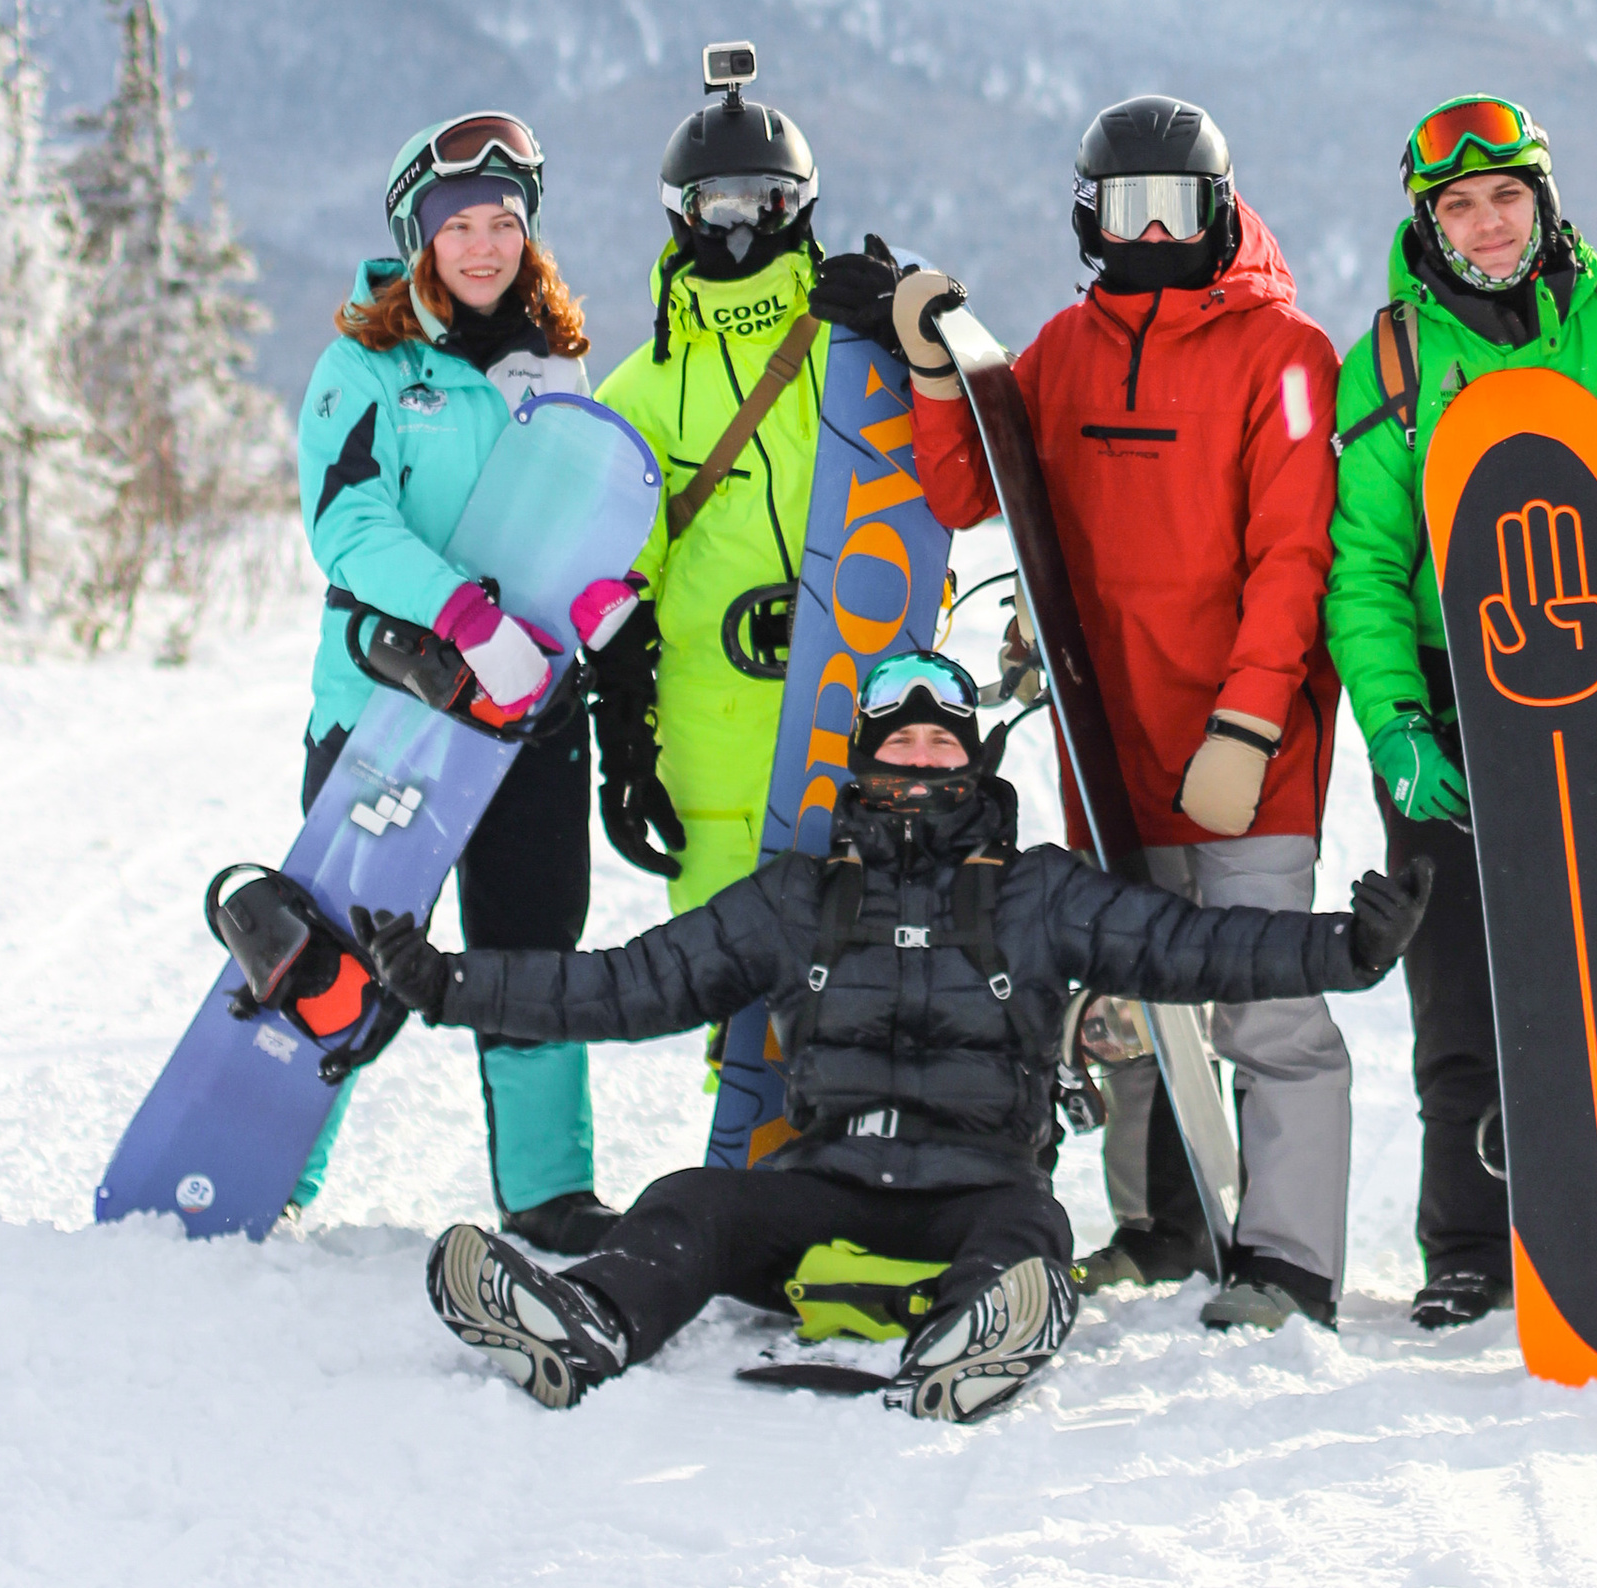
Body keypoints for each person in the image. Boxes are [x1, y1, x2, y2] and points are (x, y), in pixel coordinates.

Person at [356, 653, 1430, 1423]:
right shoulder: (796, 898)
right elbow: (626, 986)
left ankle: (976, 1340)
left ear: (971, 762)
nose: (920, 757)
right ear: (864, 761)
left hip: (979, 1187)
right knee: (691, 1201)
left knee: (1029, 1236)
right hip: (823, 1181)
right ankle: (585, 1320)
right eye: (900, 740)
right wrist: (449, 984)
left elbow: (1196, 950)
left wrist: (1343, 949)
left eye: (941, 740)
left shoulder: (1038, 892)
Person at [890, 95, 1349, 1334]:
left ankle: (1289, 1260)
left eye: (1179, 208)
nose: (1153, 233)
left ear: (1221, 208)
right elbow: (967, 487)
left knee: (1264, 1002)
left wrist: (1249, 727)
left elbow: (1294, 555)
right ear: (1087, 217)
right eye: (1126, 209)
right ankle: (1162, 1229)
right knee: (1136, 1002)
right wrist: (937, 369)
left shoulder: (1286, 355)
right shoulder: (1065, 349)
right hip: (1113, 743)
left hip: (1244, 751)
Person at [1324, 94, 1597, 1329]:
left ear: (1543, 198)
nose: (1487, 221)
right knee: (1456, 985)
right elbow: (1359, 562)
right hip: (1456, 707)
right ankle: (1464, 1243)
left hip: (1591, 686)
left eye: (1505, 194)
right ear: (1426, 220)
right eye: (1457, 202)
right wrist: (1394, 723)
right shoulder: (1394, 361)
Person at [295, 110, 639, 1251]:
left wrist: (591, 598)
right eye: (460, 227)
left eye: (503, 223)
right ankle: (274, 1164)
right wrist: (461, 616)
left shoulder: (556, 356)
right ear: (418, 235)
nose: (485, 246)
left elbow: (571, 508)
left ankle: (550, 1191)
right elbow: (347, 525)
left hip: (531, 713)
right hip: (396, 706)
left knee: (536, 947)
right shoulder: (368, 365)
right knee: (350, 947)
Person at [591, 46, 904, 907]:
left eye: (766, 202)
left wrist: (917, 318)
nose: (740, 226)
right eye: (715, 203)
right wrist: (623, 739)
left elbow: (971, 447)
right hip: (709, 731)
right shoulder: (637, 395)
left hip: (857, 712)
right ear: (678, 215)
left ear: (801, 209)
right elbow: (615, 586)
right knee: (736, 999)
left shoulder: (858, 351)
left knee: (865, 986)